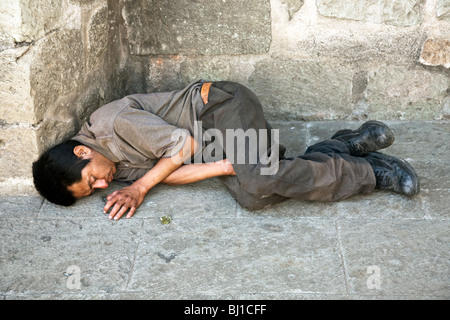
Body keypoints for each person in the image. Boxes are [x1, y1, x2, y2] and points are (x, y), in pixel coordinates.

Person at [32, 80, 420, 220]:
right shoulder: (110, 164)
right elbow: (173, 170)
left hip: (222, 108)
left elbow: (183, 146)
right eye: (93, 193)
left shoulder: (113, 124)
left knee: (262, 176)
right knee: (254, 196)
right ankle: (345, 145)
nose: (103, 187)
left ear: (82, 153)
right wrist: (226, 167)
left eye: (90, 181)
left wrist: (141, 188)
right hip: (216, 145)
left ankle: (372, 173)